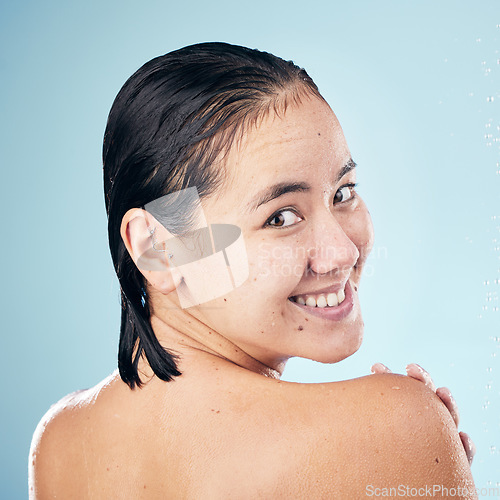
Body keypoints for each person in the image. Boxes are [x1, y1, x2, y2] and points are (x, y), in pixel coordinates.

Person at [29, 42, 476, 498]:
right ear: (159, 248)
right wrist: (412, 441)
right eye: (280, 217)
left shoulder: (59, 441)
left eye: (342, 193)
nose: (342, 252)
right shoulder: (391, 425)